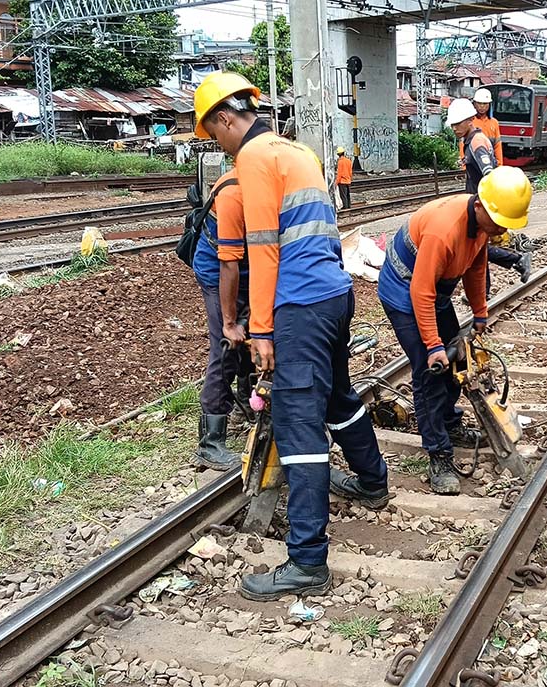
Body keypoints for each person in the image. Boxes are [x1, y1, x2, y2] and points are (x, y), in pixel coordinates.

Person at [193, 71, 390, 600]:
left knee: (299, 428)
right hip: (335, 292)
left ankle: (307, 562)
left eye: (214, 135)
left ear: (226, 119)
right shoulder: (297, 151)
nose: (218, 145)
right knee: (340, 397)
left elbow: (262, 247)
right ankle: (373, 480)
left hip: (300, 304)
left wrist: (260, 327)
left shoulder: (253, 160)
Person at [378, 167, 533, 495]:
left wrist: (480, 312)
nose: (502, 229)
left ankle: (448, 423)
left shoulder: (481, 226)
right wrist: (433, 345)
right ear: (480, 206)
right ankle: (439, 454)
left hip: (436, 290)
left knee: (458, 361)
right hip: (404, 293)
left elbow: (477, 267)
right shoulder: (444, 229)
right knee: (431, 371)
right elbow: (421, 291)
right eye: (499, 221)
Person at [190, 164, 252, 469]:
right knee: (226, 347)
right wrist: (230, 322)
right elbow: (228, 264)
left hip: (247, 267)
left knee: (254, 332)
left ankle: (249, 403)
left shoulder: (272, 184)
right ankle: (210, 442)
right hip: (219, 271)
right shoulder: (233, 193)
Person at [448, 97, 531, 288]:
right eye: (452, 125)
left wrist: (489, 207)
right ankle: (515, 263)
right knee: (477, 246)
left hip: (482, 204)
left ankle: (515, 262)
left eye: (457, 124)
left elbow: (489, 175)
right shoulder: (470, 140)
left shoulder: (477, 143)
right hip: (476, 202)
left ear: (469, 120)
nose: (454, 128)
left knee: (476, 245)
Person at [458, 88, 504, 165]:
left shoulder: (494, 123)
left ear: (489, 105)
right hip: (473, 163)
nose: (482, 106)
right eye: (479, 103)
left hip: (490, 162)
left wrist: (499, 165)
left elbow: (497, 146)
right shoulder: (469, 122)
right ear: (474, 104)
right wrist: (464, 165)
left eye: (485, 103)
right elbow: (463, 144)